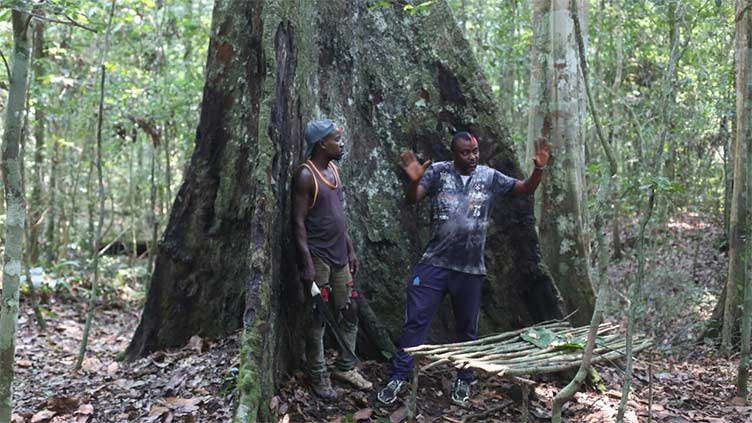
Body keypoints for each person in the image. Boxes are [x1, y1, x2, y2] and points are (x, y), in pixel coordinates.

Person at [377, 131, 550, 405]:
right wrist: (414, 181)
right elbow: (413, 198)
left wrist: (539, 168)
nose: (472, 157)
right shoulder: (437, 172)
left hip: (470, 269)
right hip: (435, 263)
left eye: (475, 151)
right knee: (415, 322)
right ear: (453, 153)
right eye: (465, 153)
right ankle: (399, 375)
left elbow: (525, 189)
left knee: (467, 330)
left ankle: (464, 379)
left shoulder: (489, 176)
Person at [292, 118, 373, 400]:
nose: (341, 143)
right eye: (336, 139)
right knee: (318, 316)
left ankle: (345, 366)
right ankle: (318, 374)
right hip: (319, 258)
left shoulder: (334, 170)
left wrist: (350, 249)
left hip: (340, 256)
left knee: (350, 308)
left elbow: (339, 215)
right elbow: (298, 224)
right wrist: (306, 264)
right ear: (321, 144)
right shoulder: (305, 175)